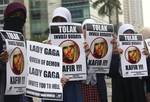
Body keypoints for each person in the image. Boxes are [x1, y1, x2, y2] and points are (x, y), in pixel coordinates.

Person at [42, 7, 83, 102]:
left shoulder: (79, 43)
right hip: (52, 91)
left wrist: (85, 53)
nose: (59, 23)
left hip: (72, 89)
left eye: (62, 20)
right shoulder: (46, 44)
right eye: (56, 20)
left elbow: (84, 71)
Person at [0, 2, 33, 102]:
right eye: (14, 15)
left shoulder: (25, 43)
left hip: (23, 97)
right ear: (7, 17)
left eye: (21, 16)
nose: (18, 19)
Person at [109, 24, 146, 102]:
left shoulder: (140, 51)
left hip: (137, 92)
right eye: (126, 34)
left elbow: (146, 75)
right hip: (121, 92)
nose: (129, 36)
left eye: (131, 34)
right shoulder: (114, 51)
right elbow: (111, 73)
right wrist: (115, 55)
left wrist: (147, 57)